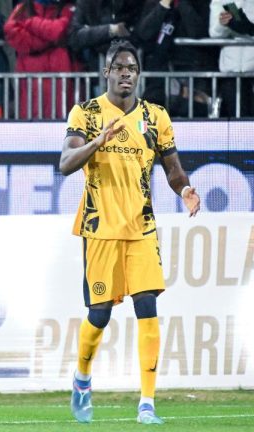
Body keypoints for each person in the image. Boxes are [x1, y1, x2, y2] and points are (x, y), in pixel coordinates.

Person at [59, 40, 201, 425]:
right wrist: (97, 142)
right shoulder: (86, 113)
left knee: (148, 309)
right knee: (100, 314)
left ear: (138, 75)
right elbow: (65, 163)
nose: (125, 73)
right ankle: (82, 379)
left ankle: (147, 403)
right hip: (99, 228)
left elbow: (172, 168)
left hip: (141, 228)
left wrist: (185, 189)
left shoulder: (155, 117)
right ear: (106, 72)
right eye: (119, 67)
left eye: (132, 68)